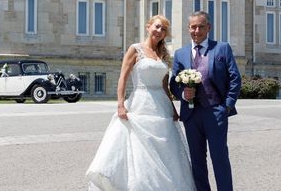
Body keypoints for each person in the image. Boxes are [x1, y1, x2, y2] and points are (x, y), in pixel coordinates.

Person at [86, 15, 195, 191]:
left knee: (166, 149)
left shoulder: (162, 54)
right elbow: (122, 77)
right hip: (140, 103)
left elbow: (164, 86)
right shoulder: (135, 49)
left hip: (161, 106)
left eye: (163, 29)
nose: (159, 31)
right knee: (140, 148)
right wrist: (120, 104)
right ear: (148, 27)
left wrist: (173, 109)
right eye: (157, 27)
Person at [170, 11, 242, 191]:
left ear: (208, 28)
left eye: (201, 26)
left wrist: (227, 105)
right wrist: (182, 94)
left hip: (216, 112)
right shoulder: (180, 54)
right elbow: (173, 84)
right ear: (188, 29)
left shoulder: (222, 48)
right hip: (191, 115)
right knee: (197, 160)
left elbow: (235, 78)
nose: (197, 30)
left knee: (219, 158)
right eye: (193, 27)